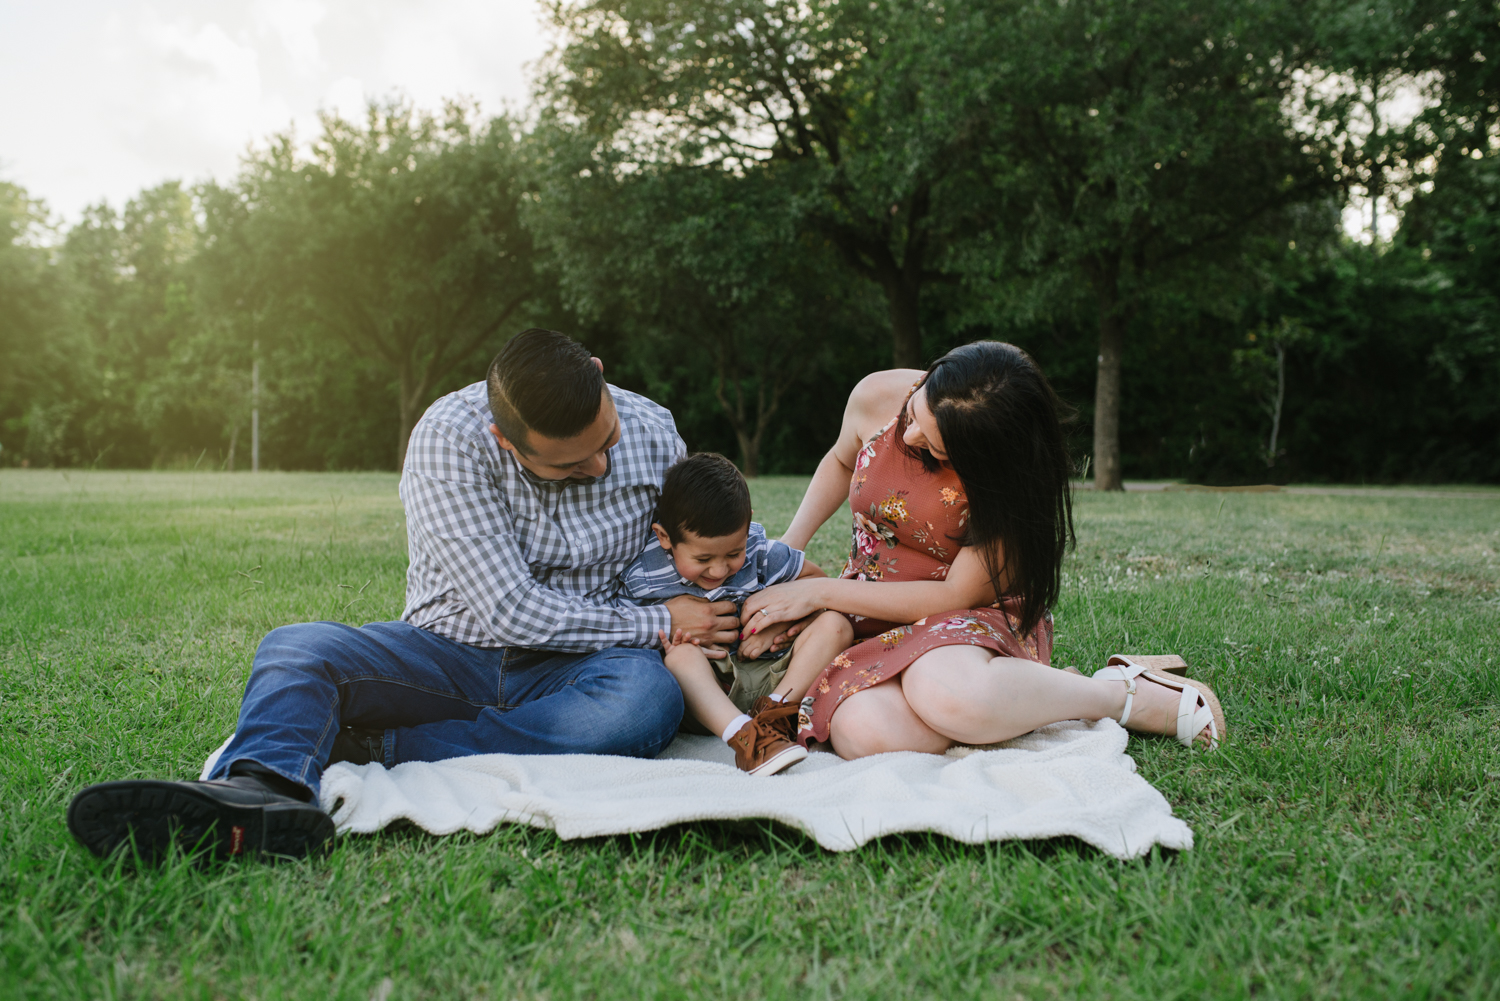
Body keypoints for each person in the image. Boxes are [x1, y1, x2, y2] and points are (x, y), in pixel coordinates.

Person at [66, 328, 739, 862]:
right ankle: (263, 789)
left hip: (585, 664)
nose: (597, 465)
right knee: (298, 647)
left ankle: (374, 748)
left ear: (597, 371)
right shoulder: (449, 438)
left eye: (606, 443)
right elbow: (508, 609)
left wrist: (778, 580)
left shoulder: (654, 429)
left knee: (644, 700)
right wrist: (657, 620)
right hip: (450, 649)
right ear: (505, 441)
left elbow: (695, 535)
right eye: (569, 465)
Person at [741, 340, 1226, 759]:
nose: (907, 436)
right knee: (864, 734)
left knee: (947, 696)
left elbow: (951, 597)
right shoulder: (878, 393)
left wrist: (821, 593)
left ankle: (1119, 693)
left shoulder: (1012, 482)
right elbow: (843, 460)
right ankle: (1024, 695)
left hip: (968, 616)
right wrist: (789, 548)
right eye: (913, 415)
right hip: (870, 610)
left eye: (934, 448)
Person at [616, 452, 854, 775]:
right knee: (680, 656)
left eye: (733, 553)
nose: (718, 569)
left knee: (836, 625)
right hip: (706, 691)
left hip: (771, 674)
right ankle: (744, 737)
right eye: (702, 559)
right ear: (664, 538)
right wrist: (668, 636)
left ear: (747, 526)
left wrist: (778, 620)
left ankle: (777, 717)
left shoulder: (759, 552)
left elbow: (817, 584)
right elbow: (624, 622)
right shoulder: (645, 572)